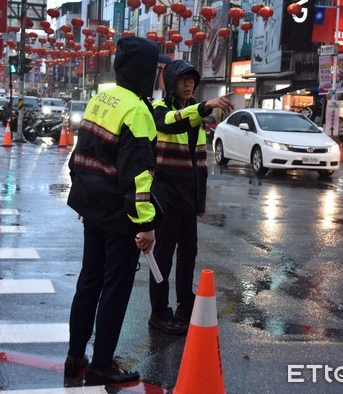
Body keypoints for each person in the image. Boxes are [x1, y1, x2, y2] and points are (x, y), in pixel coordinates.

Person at [64, 36, 165, 386]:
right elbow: (138, 179)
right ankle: (102, 364)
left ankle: (75, 357)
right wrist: (146, 225)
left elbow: (79, 155)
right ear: (144, 70)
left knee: (88, 282)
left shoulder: (100, 98)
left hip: (92, 209)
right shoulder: (138, 111)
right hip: (119, 216)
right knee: (114, 289)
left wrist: (83, 200)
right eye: (154, 69)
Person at [148, 60, 234, 335]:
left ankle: (186, 303)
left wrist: (200, 198)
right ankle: (159, 312)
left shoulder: (194, 112)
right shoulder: (160, 109)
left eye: (191, 80)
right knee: (162, 256)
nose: (188, 85)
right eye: (183, 80)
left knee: (188, 253)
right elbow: (170, 123)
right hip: (167, 193)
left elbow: (191, 126)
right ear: (170, 82)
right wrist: (206, 106)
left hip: (189, 193)